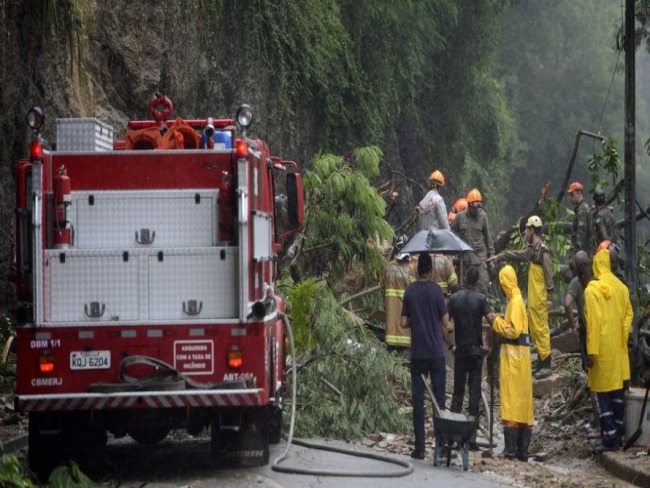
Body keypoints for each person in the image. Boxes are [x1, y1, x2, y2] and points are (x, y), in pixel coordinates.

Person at [489, 215, 555, 379]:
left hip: (540, 297)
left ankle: (546, 363)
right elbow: (517, 255)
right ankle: (541, 361)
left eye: (527, 229)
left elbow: (548, 273)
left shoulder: (542, 250)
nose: (525, 232)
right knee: (535, 328)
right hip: (534, 297)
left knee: (541, 329)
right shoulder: (533, 249)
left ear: (532, 230)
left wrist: (549, 297)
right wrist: (501, 256)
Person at [401, 252, 453, 459]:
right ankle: (440, 447)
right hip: (437, 354)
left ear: (416, 269)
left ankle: (420, 448)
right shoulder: (436, 291)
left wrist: (416, 319)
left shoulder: (410, 291)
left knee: (418, 400)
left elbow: (403, 323)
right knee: (439, 401)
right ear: (431, 269)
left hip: (418, 353)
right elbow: (445, 320)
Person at [577, 260, 627, 453]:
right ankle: (619, 432)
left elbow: (594, 324)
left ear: (583, 278)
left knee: (602, 396)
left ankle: (610, 438)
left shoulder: (590, 291)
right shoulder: (610, 288)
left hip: (600, 350)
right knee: (615, 392)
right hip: (614, 348)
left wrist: (592, 352)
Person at [448, 266, 495, 450]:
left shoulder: (454, 299)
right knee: (474, 395)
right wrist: (488, 345)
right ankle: (471, 440)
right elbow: (492, 322)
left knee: (457, 394)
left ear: (465, 278)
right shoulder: (481, 299)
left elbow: (442, 322)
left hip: (460, 352)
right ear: (476, 281)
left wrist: (451, 344)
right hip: (476, 352)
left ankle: (452, 435)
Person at [492, 265, 534, 461]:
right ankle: (521, 450)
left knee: (511, 401)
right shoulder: (515, 301)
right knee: (521, 403)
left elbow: (513, 331)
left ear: (504, 283)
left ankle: (511, 450)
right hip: (519, 359)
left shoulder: (515, 302)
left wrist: (496, 322)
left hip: (514, 360)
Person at [592, 242, 633, 392]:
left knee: (606, 387)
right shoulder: (621, 286)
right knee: (619, 384)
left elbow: (594, 323)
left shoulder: (595, 287)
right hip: (620, 343)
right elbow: (629, 313)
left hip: (606, 348)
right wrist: (623, 332)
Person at [450, 188, 495, 295]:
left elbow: (488, 238)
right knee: (466, 290)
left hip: (480, 259)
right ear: (469, 205)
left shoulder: (483, 216)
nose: (477, 209)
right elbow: (451, 232)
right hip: (465, 261)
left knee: (483, 289)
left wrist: (492, 256)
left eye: (479, 206)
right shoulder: (460, 216)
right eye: (475, 206)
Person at [382, 235, 416, 350]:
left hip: (390, 324)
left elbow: (382, 286)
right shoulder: (411, 269)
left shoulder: (388, 266)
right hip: (405, 321)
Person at [567, 182, 593, 258]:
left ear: (579, 193)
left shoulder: (582, 210)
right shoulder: (582, 208)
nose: (571, 197)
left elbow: (581, 234)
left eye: (572, 194)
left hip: (582, 254)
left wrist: (576, 252)